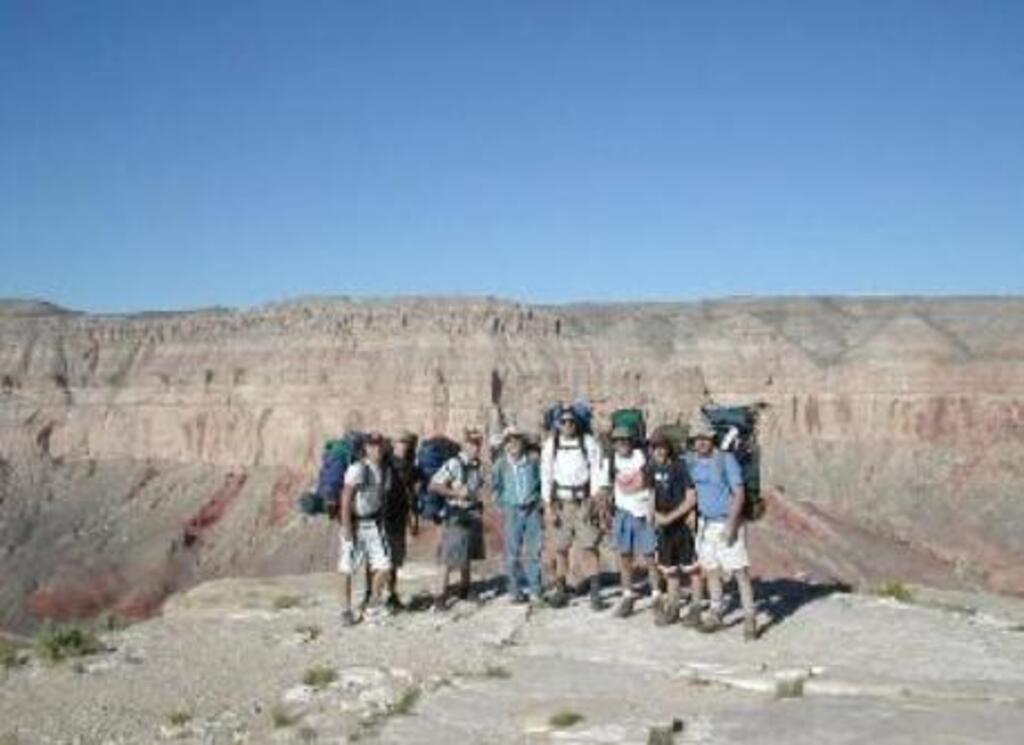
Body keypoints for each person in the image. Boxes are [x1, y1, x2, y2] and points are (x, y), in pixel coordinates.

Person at [686, 422, 758, 640]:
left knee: (739, 572)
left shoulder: (726, 460)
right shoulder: (693, 462)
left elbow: (739, 493)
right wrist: (692, 514)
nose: (700, 443)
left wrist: (732, 525)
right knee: (711, 570)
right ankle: (716, 611)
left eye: (705, 439)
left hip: (727, 522)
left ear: (712, 440)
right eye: (697, 439)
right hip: (705, 524)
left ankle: (749, 617)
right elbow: (694, 491)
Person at [540, 409, 605, 610]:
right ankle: (561, 589)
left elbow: (597, 470)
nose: (568, 425)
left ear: (577, 423)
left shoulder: (588, 443)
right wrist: (548, 506)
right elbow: (546, 474)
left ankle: (595, 592)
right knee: (561, 548)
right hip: (561, 503)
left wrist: (595, 500)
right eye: (564, 422)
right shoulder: (552, 445)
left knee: (589, 546)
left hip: (584, 501)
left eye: (571, 422)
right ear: (558, 424)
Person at [600, 426, 658, 618]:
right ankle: (627, 595)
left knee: (650, 556)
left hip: (643, 512)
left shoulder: (643, 458)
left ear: (631, 441)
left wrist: (651, 509)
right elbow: (606, 488)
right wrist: (605, 512)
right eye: (618, 440)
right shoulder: (611, 461)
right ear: (613, 443)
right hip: (623, 512)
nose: (622, 443)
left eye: (625, 439)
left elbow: (652, 487)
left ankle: (656, 594)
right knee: (625, 557)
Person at [336, 432, 392, 626]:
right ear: (366, 448)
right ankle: (345, 610)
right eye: (372, 445)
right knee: (347, 567)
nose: (376, 449)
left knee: (384, 566)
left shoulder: (383, 469)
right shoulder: (357, 469)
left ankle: (372, 605)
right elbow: (346, 497)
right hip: (356, 524)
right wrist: (346, 526)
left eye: (379, 445)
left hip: (374, 525)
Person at [429, 427, 486, 611]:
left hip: (471, 514)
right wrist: (455, 493)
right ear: (465, 444)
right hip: (455, 515)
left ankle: (465, 590)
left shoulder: (476, 465)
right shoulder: (454, 463)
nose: (476, 447)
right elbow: (434, 485)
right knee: (447, 558)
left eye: (478, 443)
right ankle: (439, 597)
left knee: (467, 555)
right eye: (472, 443)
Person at [648, 433, 699, 626]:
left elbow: (691, 498)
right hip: (663, 525)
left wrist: (669, 518)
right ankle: (673, 607)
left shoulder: (680, 467)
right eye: (655, 447)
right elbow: (652, 492)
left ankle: (695, 609)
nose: (659, 450)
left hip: (681, 524)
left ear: (669, 448)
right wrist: (651, 515)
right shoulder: (652, 467)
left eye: (663, 446)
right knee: (669, 570)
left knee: (692, 568)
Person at [492, 426, 544, 605]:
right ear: (504, 444)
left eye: (516, 439)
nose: (512, 444)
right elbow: (496, 486)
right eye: (508, 440)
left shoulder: (532, 461)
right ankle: (515, 590)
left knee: (533, 550)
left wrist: (539, 502)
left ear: (522, 442)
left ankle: (535, 589)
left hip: (531, 510)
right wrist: (501, 506)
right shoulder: (501, 464)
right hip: (512, 510)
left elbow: (540, 481)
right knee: (512, 552)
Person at [383, 430, 420, 610]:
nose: (404, 446)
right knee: (382, 559)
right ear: (393, 444)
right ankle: (373, 595)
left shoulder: (409, 467)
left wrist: (413, 518)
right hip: (384, 517)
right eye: (401, 442)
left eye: (407, 443)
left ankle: (391, 594)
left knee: (395, 560)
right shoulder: (386, 464)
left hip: (400, 517)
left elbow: (410, 494)